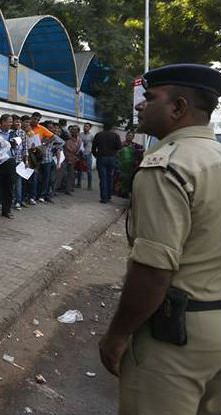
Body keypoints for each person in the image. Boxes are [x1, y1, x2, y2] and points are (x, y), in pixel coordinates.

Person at [99, 63, 221, 415]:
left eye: (149, 98)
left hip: (176, 336)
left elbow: (153, 271)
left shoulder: (167, 168)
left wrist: (118, 334)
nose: (139, 105)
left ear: (178, 107)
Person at [0, 114, 17, 218]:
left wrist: (15, 145)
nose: (11, 124)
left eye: (11, 122)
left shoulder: (13, 134)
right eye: (9, 122)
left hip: (10, 162)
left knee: (9, 187)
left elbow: (17, 149)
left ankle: (6, 210)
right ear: (2, 122)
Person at [92, 121, 122, 203]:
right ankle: (109, 196)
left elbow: (93, 148)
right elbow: (119, 148)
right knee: (110, 177)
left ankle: (104, 198)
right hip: (112, 158)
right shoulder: (115, 136)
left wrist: (97, 156)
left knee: (103, 178)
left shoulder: (98, 135)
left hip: (101, 158)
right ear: (111, 127)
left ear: (103, 127)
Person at [113, 130, 144, 198]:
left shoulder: (135, 146)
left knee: (127, 180)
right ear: (126, 136)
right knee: (118, 178)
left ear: (133, 138)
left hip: (129, 167)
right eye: (128, 135)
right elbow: (116, 152)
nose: (129, 137)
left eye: (131, 136)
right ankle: (116, 192)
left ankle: (125, 193)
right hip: (120, 165)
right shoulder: (121, 144)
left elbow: (140, 151)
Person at [63, 125, 83, 195]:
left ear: (78, 131)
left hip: (74, 159)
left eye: (75, 130)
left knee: (71, 174)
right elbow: (66, 148)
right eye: (72, 129)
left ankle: (68, 188)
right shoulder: (67, 139)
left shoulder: (79, 140)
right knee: (63, 173)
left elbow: (80, 150)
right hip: (65, 158)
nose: (73, 131)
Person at [77, 122, 94, 190]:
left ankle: (89, 185)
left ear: (90, 128)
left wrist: (91, 151)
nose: (85, 127)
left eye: (87, 126)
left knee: (89, 170)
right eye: (84, 126)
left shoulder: (91, 136)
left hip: (88, 154)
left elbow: (94, 145)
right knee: (79, 169)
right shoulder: (80, 134)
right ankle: (78, 183)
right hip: (80, 154)